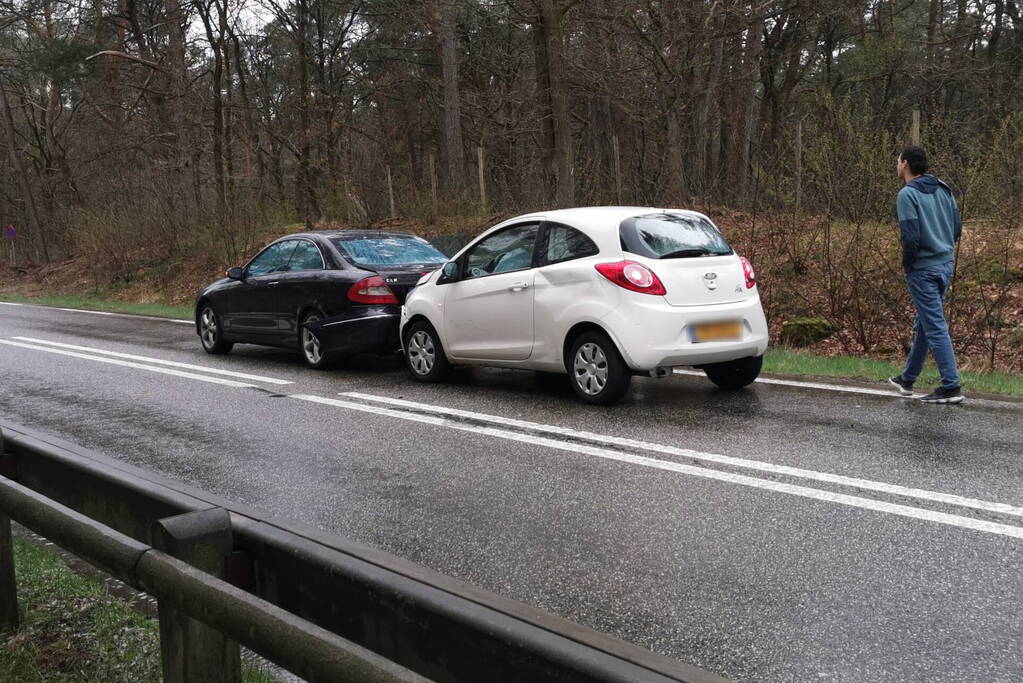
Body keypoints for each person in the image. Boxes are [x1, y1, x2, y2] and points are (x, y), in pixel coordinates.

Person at [888, 145, 964, 404]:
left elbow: (910, 238)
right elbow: (957, 228)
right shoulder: (943, 188)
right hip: (945, 264)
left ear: (905, 164)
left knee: (934, 326)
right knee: (926, 322)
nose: (897, 165)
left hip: (923, 269)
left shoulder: (907, 194)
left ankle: (951, 386)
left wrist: (909, 265)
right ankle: (907, 379)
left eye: (898, 161)